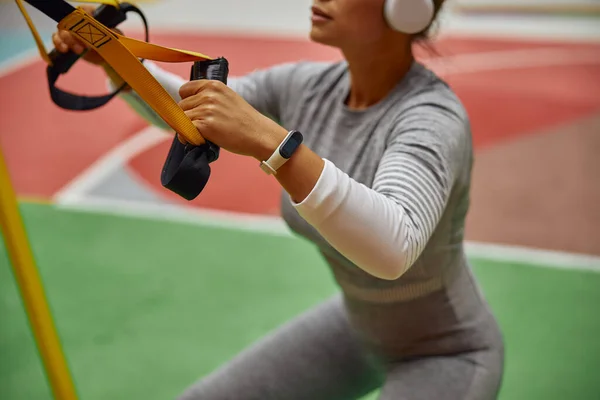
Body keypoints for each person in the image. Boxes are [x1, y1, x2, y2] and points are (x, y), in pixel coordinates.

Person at [52, 0, 505, 398]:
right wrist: (112, 52)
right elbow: (193, 110)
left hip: (445, 352)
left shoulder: (430, 118)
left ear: (406, 7)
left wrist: (274, 144)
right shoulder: (307, 86)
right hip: (358, 328)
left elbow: (394, 247)